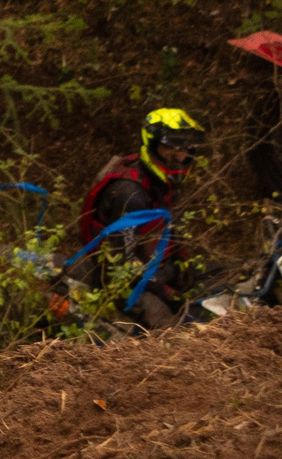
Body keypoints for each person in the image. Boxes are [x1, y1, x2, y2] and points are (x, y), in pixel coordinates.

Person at [76, 107, 206, 327]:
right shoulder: (130, 194)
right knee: (172, 330)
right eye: (171, 148)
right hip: (119, 281)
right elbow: (123, 264)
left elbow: (171, 224)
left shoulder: (164, 182)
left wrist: (182, 261)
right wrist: (163, 287)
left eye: (185, 149)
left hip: (153, 265)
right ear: (153, 145)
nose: (180, 156)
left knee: (214, 277)